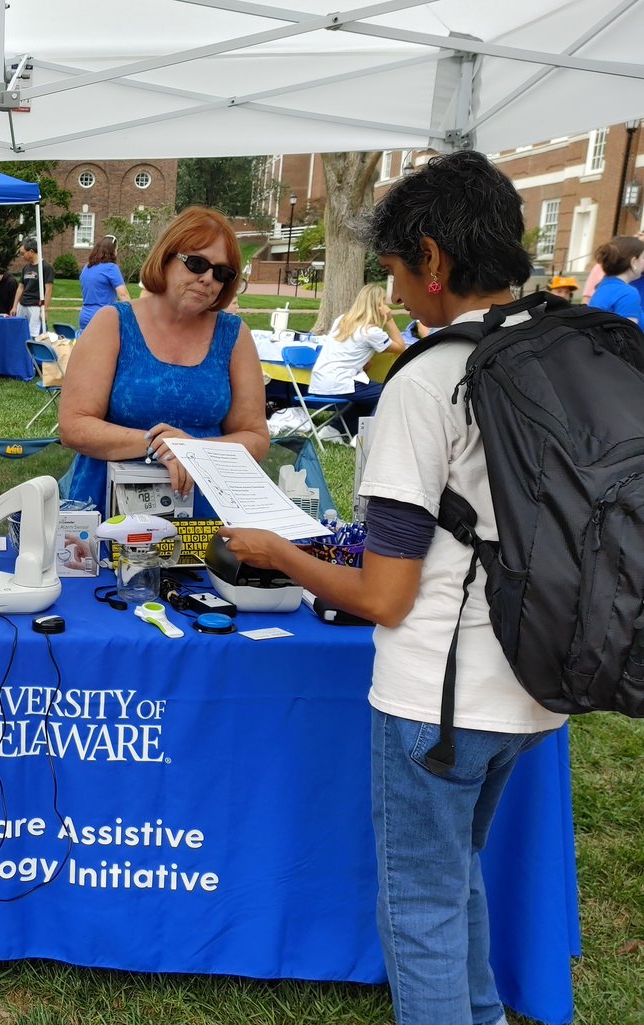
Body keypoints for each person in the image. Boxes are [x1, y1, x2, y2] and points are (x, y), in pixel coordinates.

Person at [217, 150, 566, 1025]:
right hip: (538, 680)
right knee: (456, 876)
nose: (396, 291)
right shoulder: (560, 349)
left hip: (437, 698)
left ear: (435, 260)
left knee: (420, 903)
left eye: (397, 271)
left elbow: (383, 596)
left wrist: (280, 552)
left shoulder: (427, 381)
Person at [59, 205, 270, 519]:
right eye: (197, 263)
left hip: (205, 510)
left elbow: (255, 437)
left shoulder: (234, 336)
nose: (208, 278)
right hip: (108, 508)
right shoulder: (112, 324)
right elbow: (74, 426)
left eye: (222, 273)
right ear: (166, 257)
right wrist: (159, 445)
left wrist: (192, 451)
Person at [308, 282, 406, 431]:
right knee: (390, 392)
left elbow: (349, 349)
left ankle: (334, 429)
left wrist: (361, 363)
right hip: (341, 382)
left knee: (368, 395)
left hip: (320, 381)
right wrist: (389, 319)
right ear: (378, 306)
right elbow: (400, 347)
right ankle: (367, 434)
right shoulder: (371, 331)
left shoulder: (341, 320)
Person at [587, 234, 644, 323]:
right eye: (643, 258)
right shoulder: (628, 293)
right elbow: (629, 334)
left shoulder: (603, 286)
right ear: (633, 262)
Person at [78, 235, 131, 330]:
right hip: (103, 316)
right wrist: (132, 316)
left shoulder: (86, 267)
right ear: (112, 250)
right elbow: (123, 295)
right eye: (116, 249)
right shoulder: (111, 268)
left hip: (84, 316)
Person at [11, 237, 54, 336]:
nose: (22, 256)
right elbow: (21, 287)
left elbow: (48, 290)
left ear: (31, 251)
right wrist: (14, 306)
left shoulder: (46, 268)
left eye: (23, 253)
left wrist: (45, 310)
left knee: (33, 334)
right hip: (22, 305)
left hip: (35, 306)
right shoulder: (26, 268)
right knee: (18, 332)